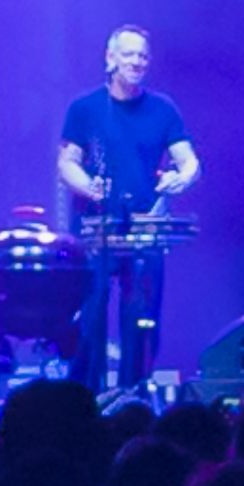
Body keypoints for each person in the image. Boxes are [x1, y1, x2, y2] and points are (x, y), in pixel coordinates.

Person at [57, 26, 201, 391]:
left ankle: (133, 399)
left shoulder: (163, 108)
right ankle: (82, 399)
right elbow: (67, 162)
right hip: (96, 229)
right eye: (129, 55)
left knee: (142, 322)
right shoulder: (85, 108)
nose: (137, 62)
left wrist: (181, 178)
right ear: (110, 59)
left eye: (142, 56)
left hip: (145, 229)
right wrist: (88, 186)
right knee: (89, 320)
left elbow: (190, 162)